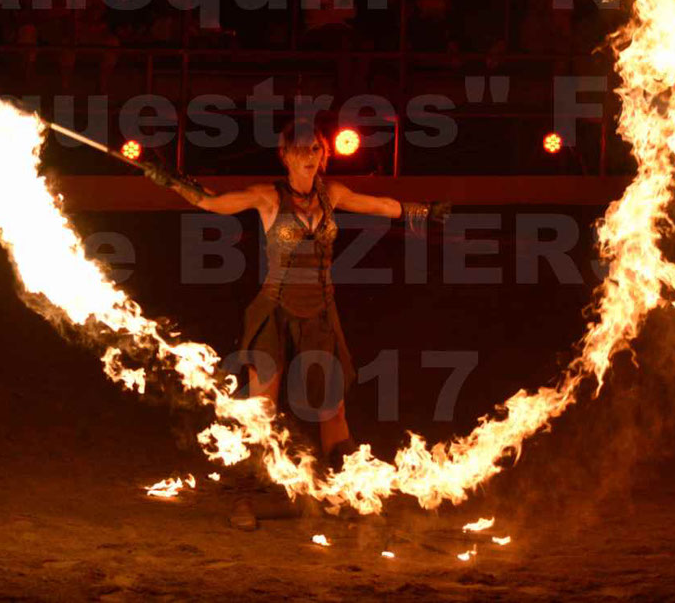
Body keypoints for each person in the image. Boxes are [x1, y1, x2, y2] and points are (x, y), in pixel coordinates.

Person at [141, 121, 449, 530]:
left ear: (324, 155)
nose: (309, 156)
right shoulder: (268, 197)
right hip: (275, 309)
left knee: (332, 408)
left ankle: (347, 491)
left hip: (321, 310)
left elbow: (377, 205)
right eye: (299, 150)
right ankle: (243, 499)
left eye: (316, 150)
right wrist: (174, 181)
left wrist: (422, 211)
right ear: (283, 155)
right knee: (261, 410)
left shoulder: (331, 194)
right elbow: (211, 203)